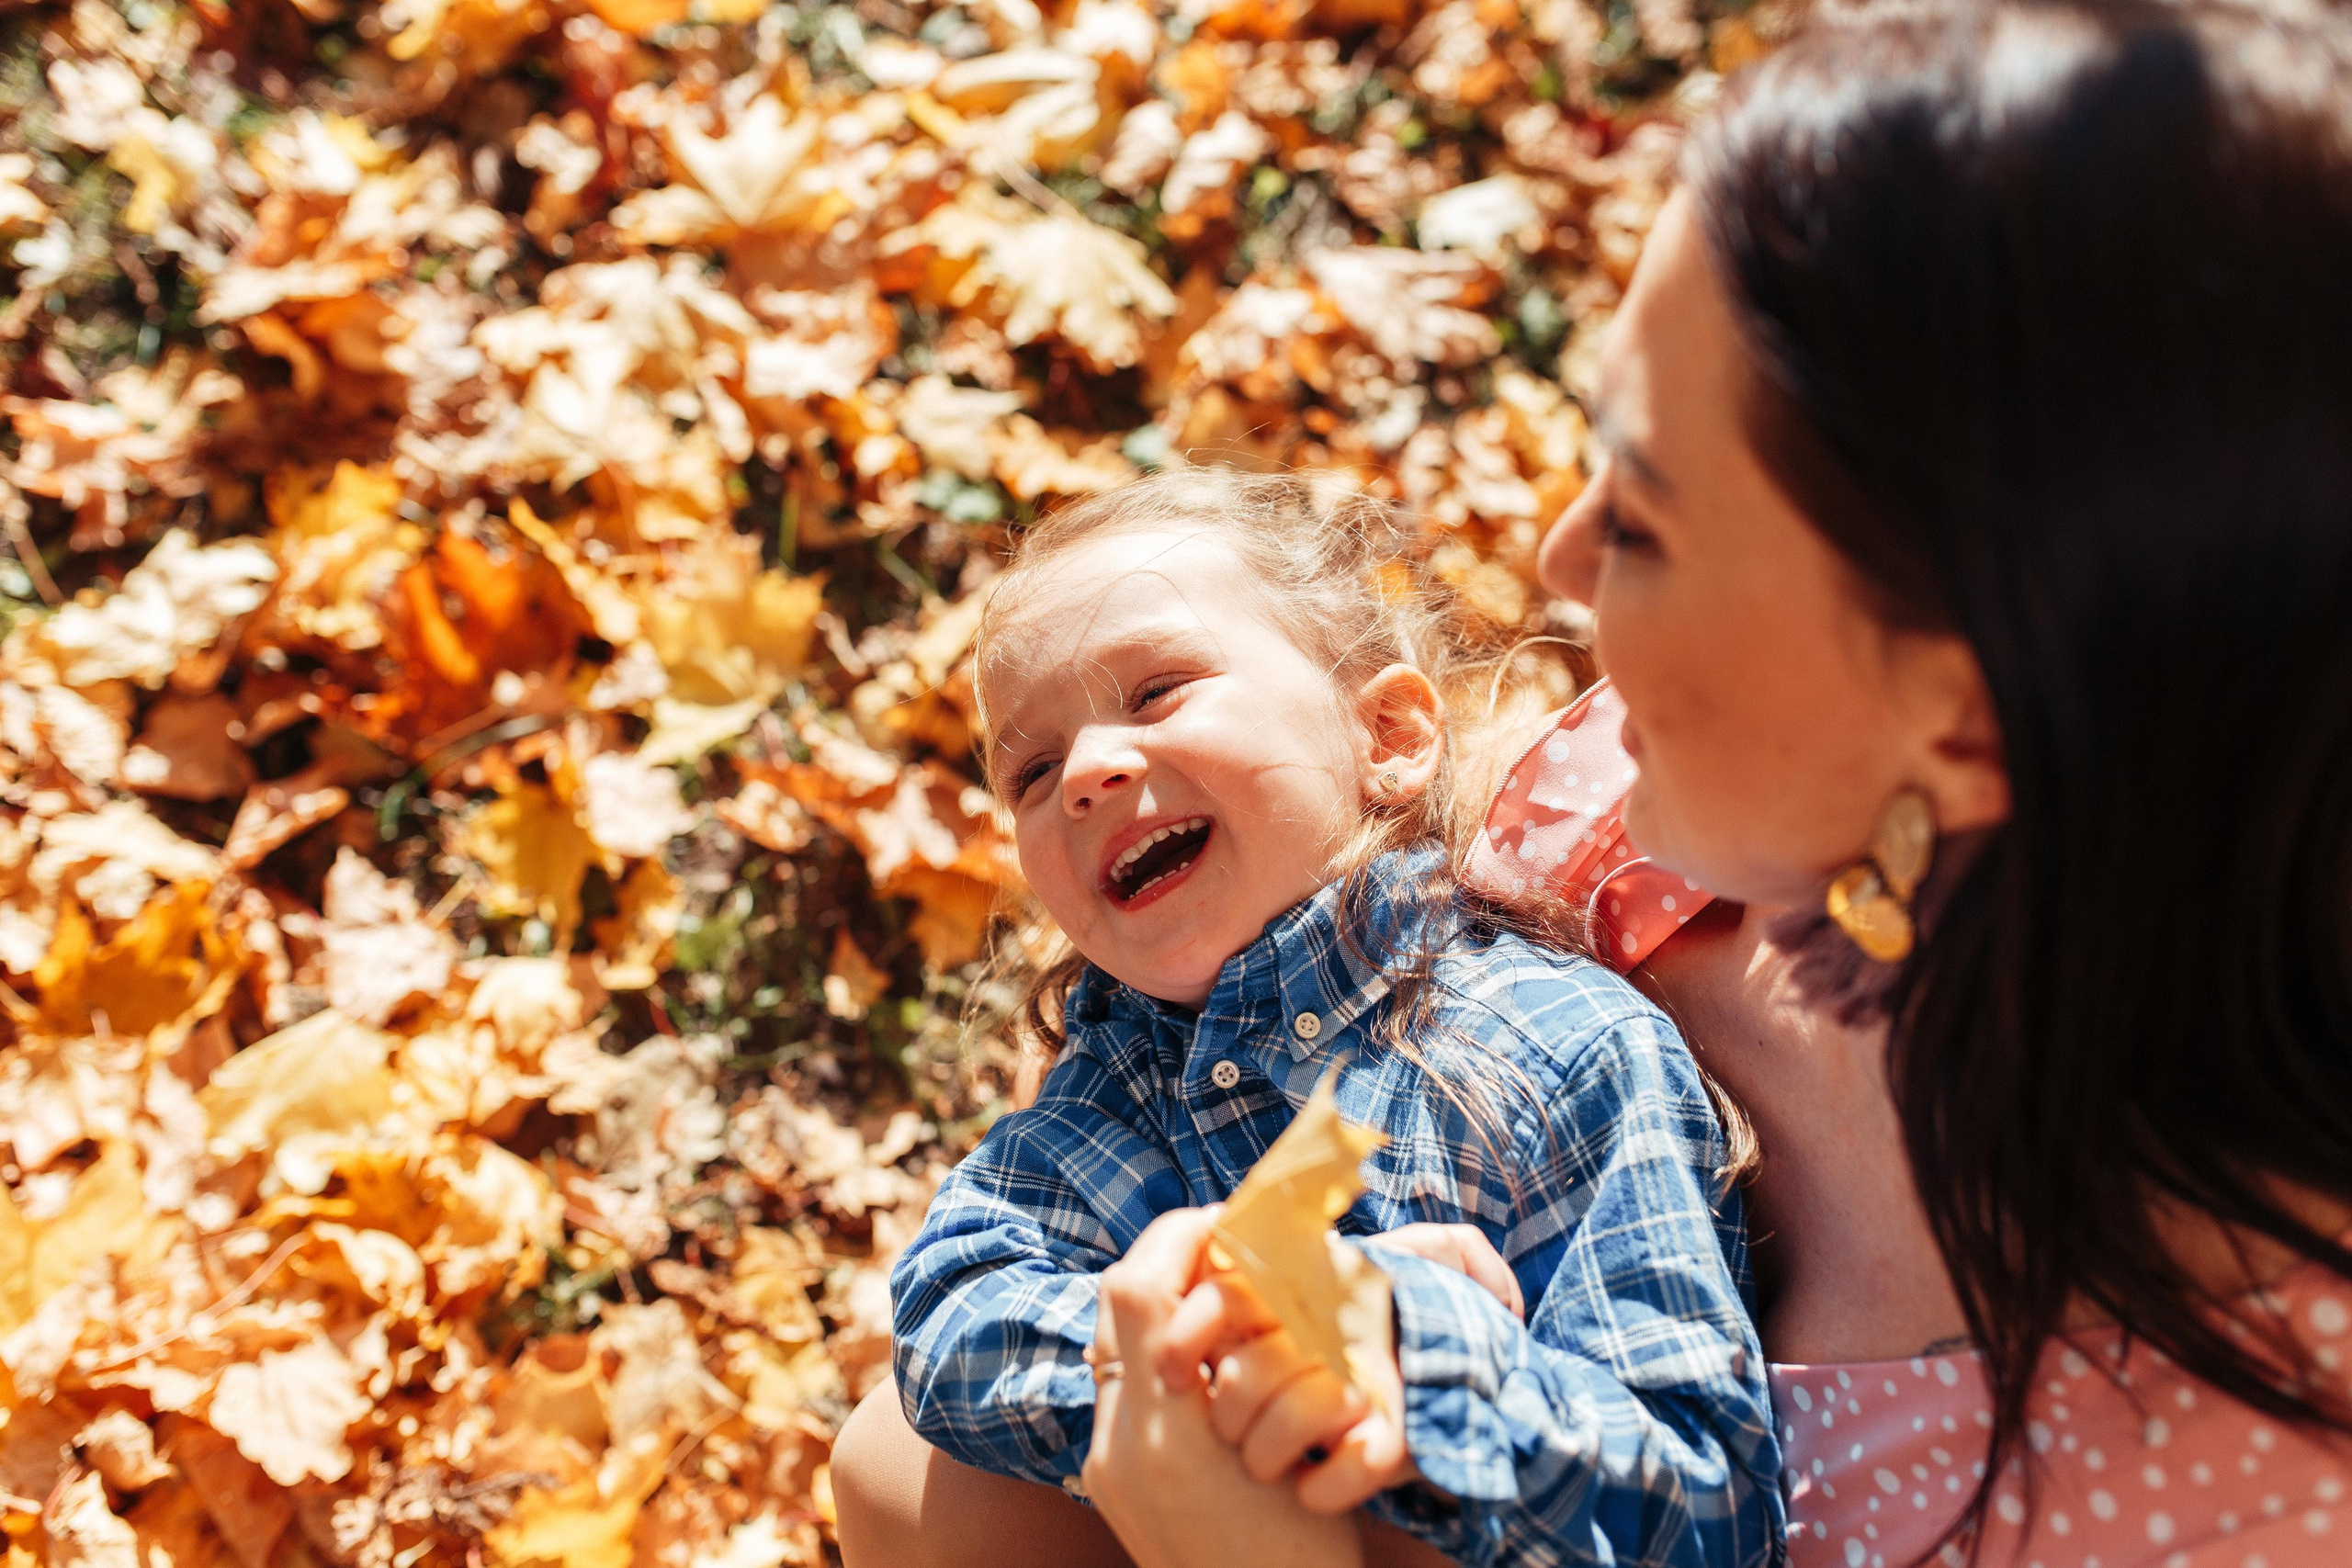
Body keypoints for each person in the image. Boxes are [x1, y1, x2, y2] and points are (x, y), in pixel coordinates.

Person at [927, 1, 2352, 1564]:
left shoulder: (2239, 1496)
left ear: (1957, 703)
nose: (1560, 561)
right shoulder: (1603, 820)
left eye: (1652, 517)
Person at [831, 470, 1782, 1568]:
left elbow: (1703, 1508)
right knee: (888, 1452)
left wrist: (1413, 1353)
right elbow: (956, 1299)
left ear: (1386, 734)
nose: (1087, 772)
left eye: (1156, 693)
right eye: (1033, 771)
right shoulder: (1122, 1079)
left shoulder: (1550, 1046)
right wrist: (1209, 1330)